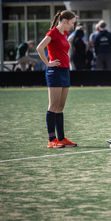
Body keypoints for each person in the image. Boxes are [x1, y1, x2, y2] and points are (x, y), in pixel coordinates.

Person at [36, 10, 78, 149]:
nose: (72, 26)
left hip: (65, 71)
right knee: (53, 106)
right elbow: (39, 48)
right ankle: (51, 140)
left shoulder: (64, 33)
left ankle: (61, 138)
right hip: (55, 72)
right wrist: (48, 63)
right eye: (72, 23)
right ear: (65, 21)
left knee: (60, 107)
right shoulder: (52, 33)